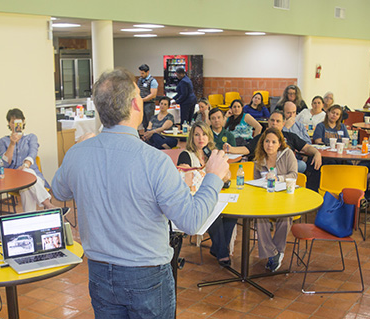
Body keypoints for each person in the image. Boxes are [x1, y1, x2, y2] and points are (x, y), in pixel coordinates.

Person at [52, 68, 229, 318]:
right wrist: (213, 177)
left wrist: (80, 149)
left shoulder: (77, 154)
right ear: (136, 104)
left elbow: (57, 191)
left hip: (99, 273)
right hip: (146, 275)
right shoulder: (154, 161)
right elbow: (191, 221)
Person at [176, 121, 236, 267]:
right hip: (196, 198)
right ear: (192, 138)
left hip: (217, 194)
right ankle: (222, 254)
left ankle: (217, 248)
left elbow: (227, 176)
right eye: (196, 135)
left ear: (209, 137)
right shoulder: (187, 154)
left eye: (204, 134)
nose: (200, 138)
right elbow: (184, 175)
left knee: (232, 215)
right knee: (212, 213)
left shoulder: (212, 155)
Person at [0, 108, 60, 213]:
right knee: (26, 179)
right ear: (9, 123)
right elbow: (4, 163)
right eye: (13, 122)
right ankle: (48, 204)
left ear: (23, 121)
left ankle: (30, 218)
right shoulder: (3, 141)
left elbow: (33, 152)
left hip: (32, 175)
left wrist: (25, 165)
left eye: (18, 121)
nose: (15, 125)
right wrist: (12, 144)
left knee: (26, 184)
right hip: (13, 179)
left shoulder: (31, 137)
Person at [253, 128, 298, 272]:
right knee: (259, 218)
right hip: (265, 200)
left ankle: (279, 251)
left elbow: (294, 175)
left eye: (273, 142)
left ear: (280, 144)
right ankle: (271, 253)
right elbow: (256, 182)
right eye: (267, 141)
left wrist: (279, 178)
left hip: (285, 198)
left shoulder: (288, 154)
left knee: (286, 217)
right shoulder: (259, 159)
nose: (269, 145)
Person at [223, 111, 322, 175]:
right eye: (272, 120)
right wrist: (230, 149)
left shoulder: (290, 136)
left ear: (283, 124)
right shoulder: (262, 137)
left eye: (278, 121)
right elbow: (246, 149)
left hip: (285, 167)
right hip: (264, 168)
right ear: (268, 122)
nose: (274, 123)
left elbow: (307, 147)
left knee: (301, 165)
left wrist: (317, 153)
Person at [137, 64, 158, 130]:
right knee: (144, 121)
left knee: (150, 121)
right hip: (141, 103)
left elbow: (153, 95)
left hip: (149, 104)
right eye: (140, 73)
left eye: (142, 73)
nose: (141, 75)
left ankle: (150, 136)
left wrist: (142, 100)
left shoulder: (153, 81)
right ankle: (146, 136)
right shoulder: (140, 80)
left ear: (147, 72)